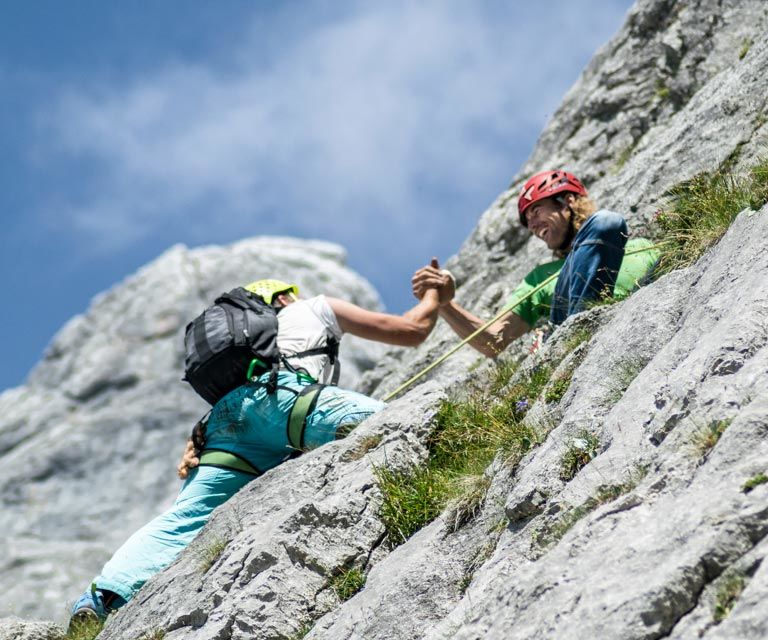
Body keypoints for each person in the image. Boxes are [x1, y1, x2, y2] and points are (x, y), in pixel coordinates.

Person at [69, 278, 440, 626]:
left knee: (184, 519)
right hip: (282, 400)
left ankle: (99, 598)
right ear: (281, 298)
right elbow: (412, 330)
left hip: (223, 425)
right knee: (397, 422)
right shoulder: (313, 307)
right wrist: (437, 294)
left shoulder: (242, 348)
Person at [412, 170, 659, 357]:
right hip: (576, 330)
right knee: (607, 222)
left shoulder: (639, 247)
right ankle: (578, 327)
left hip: (639, 316)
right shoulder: (540, 278)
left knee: (606, 223)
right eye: (528, 220)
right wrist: (444, 304)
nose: (531, 226)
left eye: (536, 211)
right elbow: (494, 340)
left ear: (568, 201)